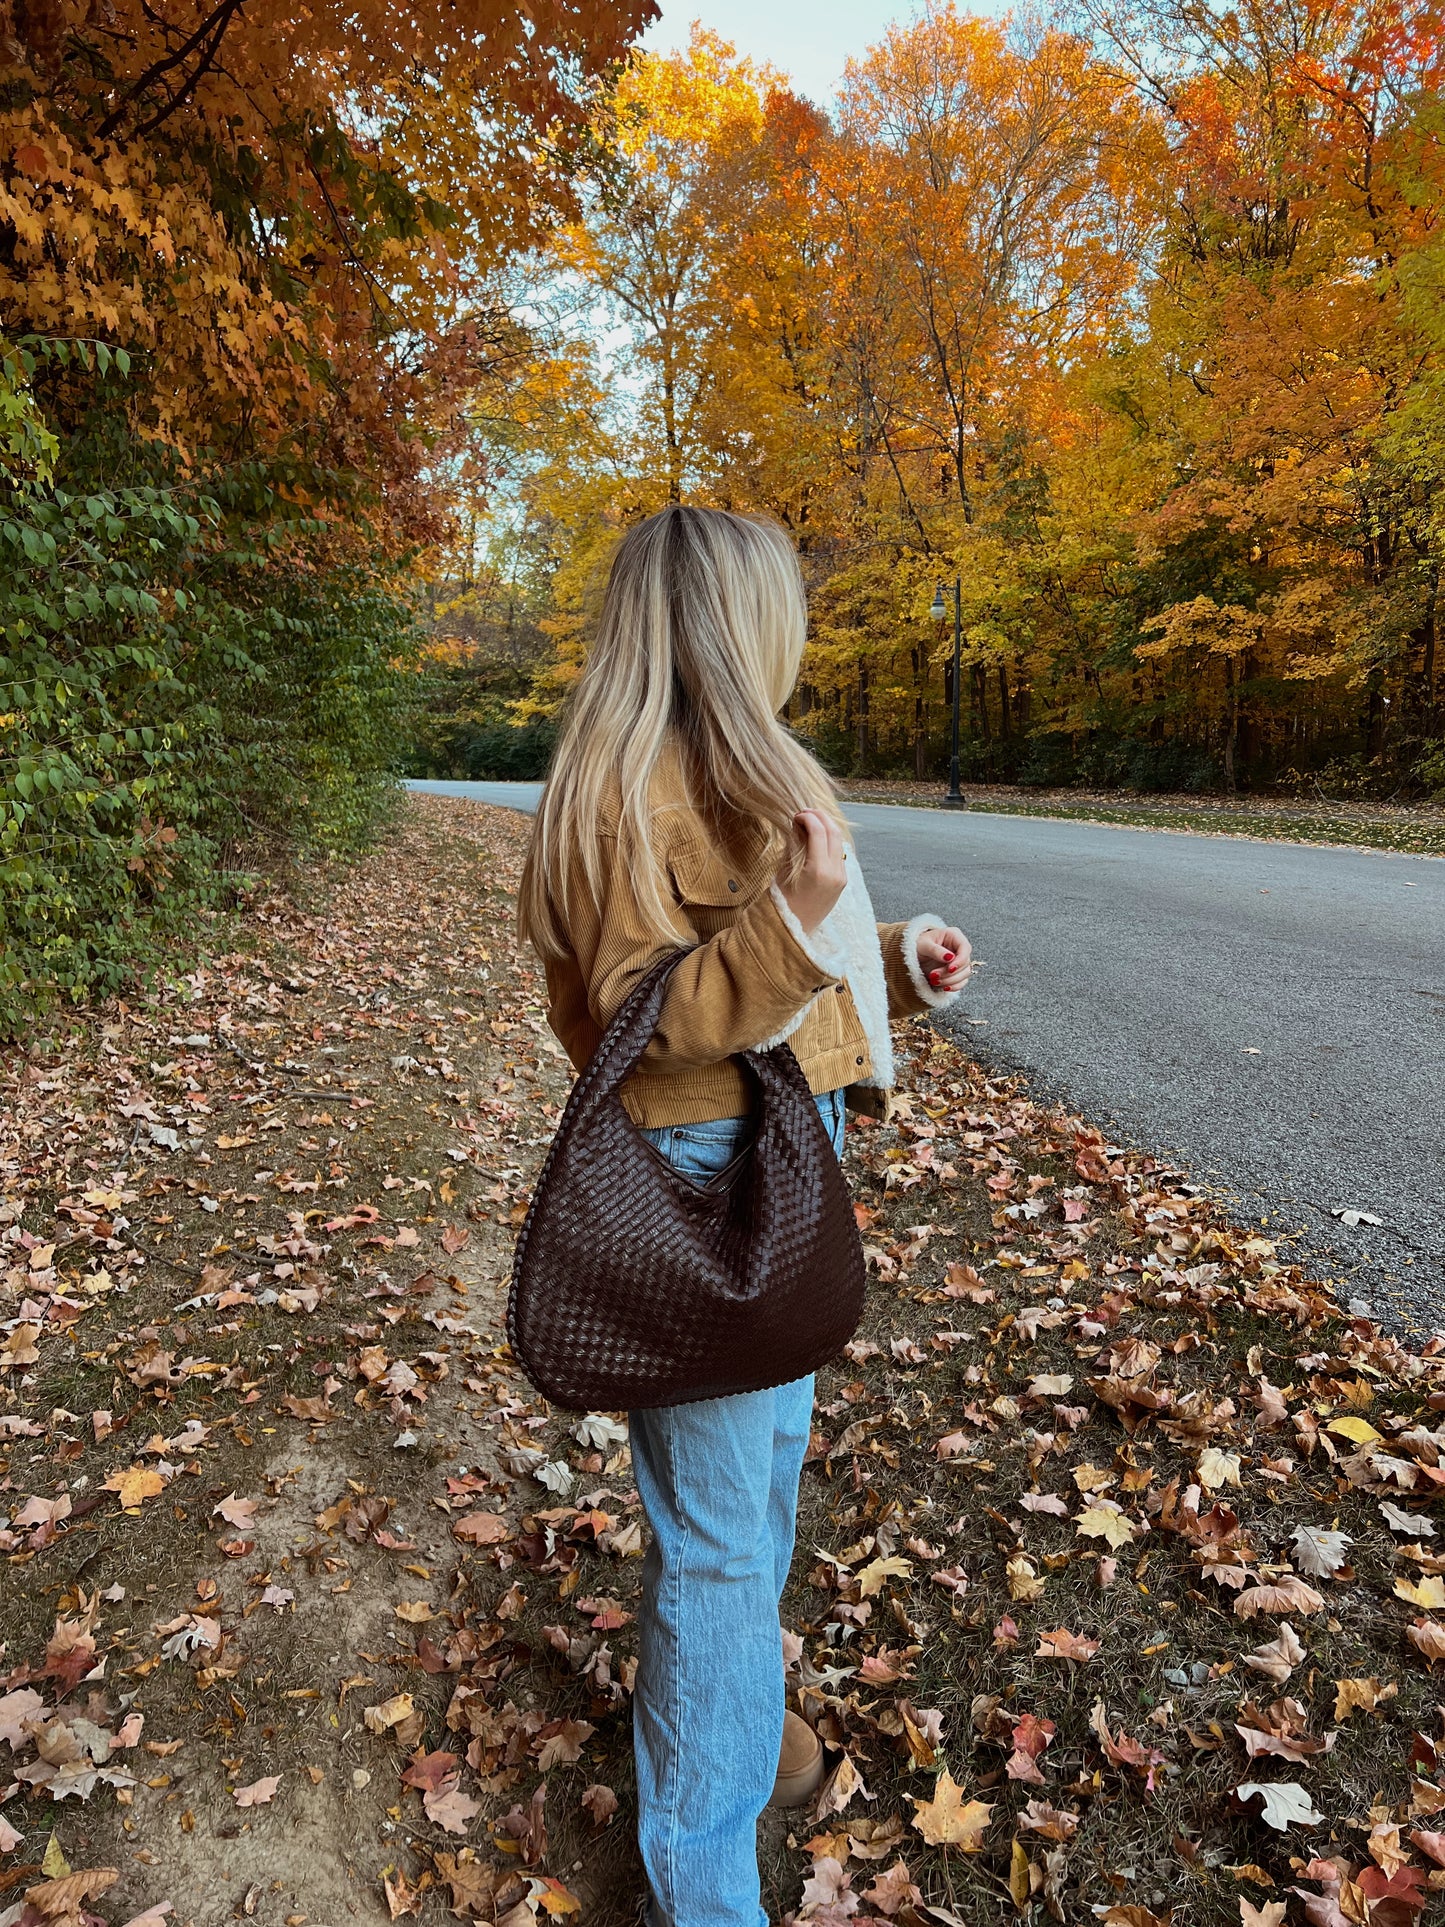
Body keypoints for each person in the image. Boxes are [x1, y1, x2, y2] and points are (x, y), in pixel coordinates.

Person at [516, 503, 971, 1927]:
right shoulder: (623, 794)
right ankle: (703, 1889)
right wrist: (795, 922)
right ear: (731, 628)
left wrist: (891, 960)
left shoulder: (738, 767)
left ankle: (738, 1715)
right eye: (785, 611)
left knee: (756, 1493)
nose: (802, 635)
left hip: (778, 1149)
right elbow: (655, 1027)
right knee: (717, 1542)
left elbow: (785, 985)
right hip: (701, 1171)